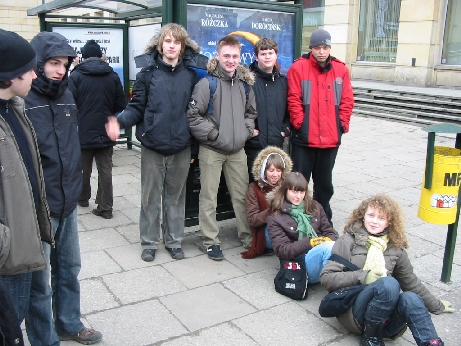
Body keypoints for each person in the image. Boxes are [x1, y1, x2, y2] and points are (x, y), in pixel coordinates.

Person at [24, 31, 103, 345]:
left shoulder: (68, 93)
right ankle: (43, 337)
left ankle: (68, 323)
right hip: (37, 205)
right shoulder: (22, 99)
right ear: (39, 63)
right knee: (39, 280)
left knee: (69, 268)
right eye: (53, 63)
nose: (60, 69)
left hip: (68, 199)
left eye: (65, 63)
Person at [105, 23, 199, 262]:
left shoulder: (190, 76)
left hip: (181, 146)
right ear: (160, 44)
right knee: (150, 198)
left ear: (182, 46)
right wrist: (120, 122)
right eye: (167, 41)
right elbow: (136, 108)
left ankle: (174, 241)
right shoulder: (146, 75)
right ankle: (149, 242)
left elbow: (195, 113)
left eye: (176, 42)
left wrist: (193, 147)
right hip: (152, 146)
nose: (171, 46)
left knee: (176, 198)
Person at [319, 194, 454, 346]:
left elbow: (411, 283)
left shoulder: (396, 248)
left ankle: (431, 342)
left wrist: (436, 305)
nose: (375, 221)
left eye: (381, 218)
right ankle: (370, 338)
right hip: (355, 313)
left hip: (387, 322)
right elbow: (327, 278)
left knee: (411, 298)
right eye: (371, 215)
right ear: (362, 216)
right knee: (389, 284)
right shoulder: (347, 241)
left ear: (389, 222)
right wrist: (364, 277)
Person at [0, 28, 53, 346]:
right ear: (8, 75)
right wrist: (5, 242)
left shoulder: (15, 109)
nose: (35, 73)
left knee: (34, 306)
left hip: (29, 238)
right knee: (10, 325)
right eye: (28, 68)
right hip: (9, 253)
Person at [187, 35, 257, 260]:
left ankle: (248, 237)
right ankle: (210, 240)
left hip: (237, 151)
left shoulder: (245, 85)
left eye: (235, 56)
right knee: (209, 197)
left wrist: (245, 132)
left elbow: (251, 114)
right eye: (226, 56)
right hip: (212, 150)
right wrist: (214, 135)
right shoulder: (207, 83)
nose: (230, 60)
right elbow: (194, 116)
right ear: (217, 56)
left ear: (240, 57)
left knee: (241, 196)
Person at [287, 28, 354, 225]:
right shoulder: (298, 68)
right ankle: (298, 219)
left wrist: (341, 124)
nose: (322, 52)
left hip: (330, 139)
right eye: (317, 48)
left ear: (329, 48)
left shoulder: (341, 70)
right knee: (299, 184)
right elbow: (293, 99)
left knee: (324, 185)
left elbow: (347, 101)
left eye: (325, 47)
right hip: (304, 139)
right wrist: (300, 123)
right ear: (311, 49)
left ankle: (323, 220)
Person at [68, 39, 126, 219]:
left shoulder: (76, 76)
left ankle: (83, 198)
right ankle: (105, 207)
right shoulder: (113, 75)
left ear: (83, 57)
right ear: (101, 56)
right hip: (107, 129)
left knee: (83, 168)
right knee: (105, 169)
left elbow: (70, 103)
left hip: (83, 130)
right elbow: (120, 103)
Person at [267, 172, 337, 283]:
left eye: (301, 192)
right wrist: (311, 243)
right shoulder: (275, 217)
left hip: (322, 255)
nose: (298, 196)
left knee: (342, 245)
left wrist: (327, 239)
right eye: (294, 192)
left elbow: (330, 232)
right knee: (328, 248)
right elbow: (282, 250)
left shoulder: (315, 207)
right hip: (299, 265)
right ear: (285, 191)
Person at [245, 38, 290, 182]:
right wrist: (247, 130)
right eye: (263, 53)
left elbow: (290, 110)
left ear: (276, 55)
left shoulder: (283, 82)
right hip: (253, 146)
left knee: (274, 189)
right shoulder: (247, 81)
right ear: (256, 56)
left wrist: (285, 130)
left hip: (276, 145)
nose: (267, 56)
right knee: (253, 189)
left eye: (270, 53)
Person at [242, 146, 292, 259]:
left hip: (288, 226)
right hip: (267, 229)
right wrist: (272, 210)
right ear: (264, 171)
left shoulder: (287, 186)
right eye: (271, 170)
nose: (275, 175)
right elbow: (252, 220)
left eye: (279, 171)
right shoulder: (254, 188)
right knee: (274, 238)